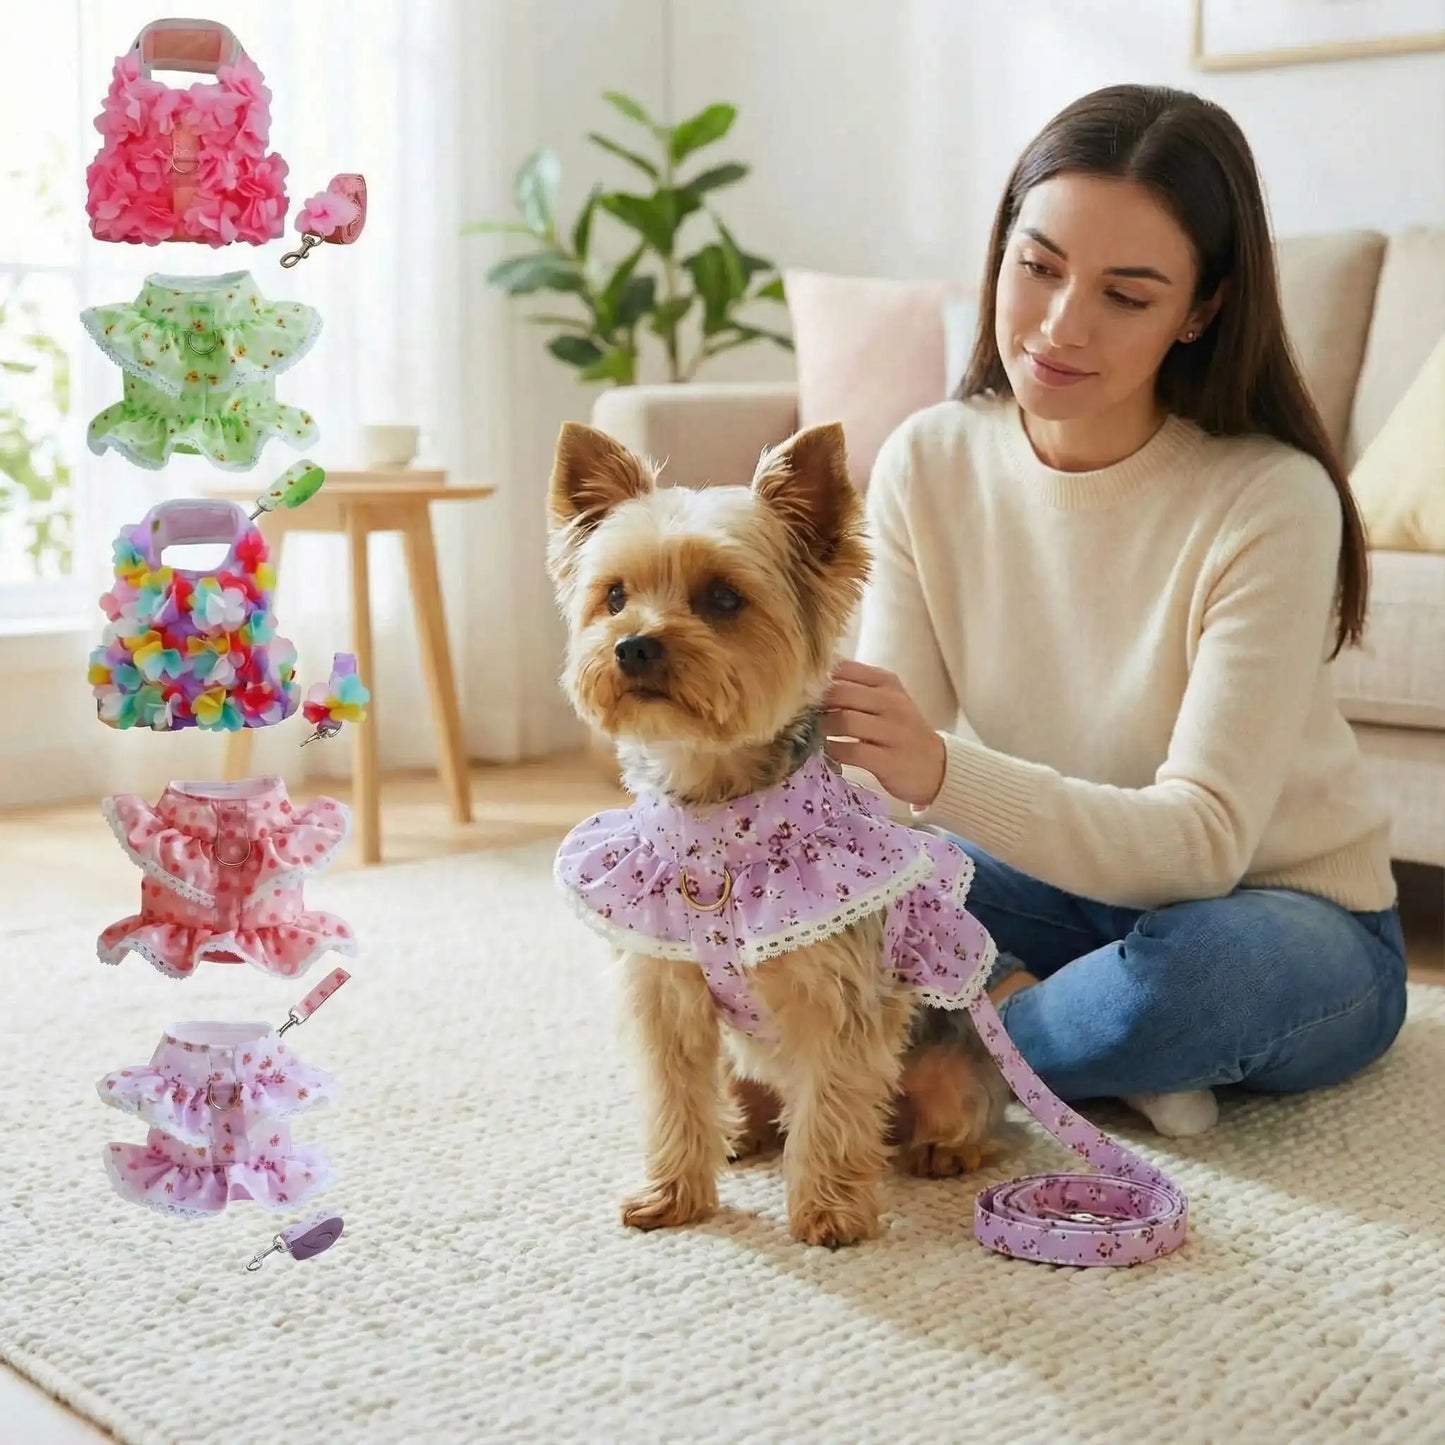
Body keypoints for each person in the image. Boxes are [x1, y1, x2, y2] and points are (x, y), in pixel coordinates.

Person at [822, 83, 1407, 1138]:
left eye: (1124, 296)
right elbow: (886, 797)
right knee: (845, 886)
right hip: (1053, 886)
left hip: (1278, 915)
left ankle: (960, 1053)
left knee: (1198, 981)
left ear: (1200, 309)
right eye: (1035, 266)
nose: (1057, 325)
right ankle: (1065, 1041)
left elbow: (1197, 848)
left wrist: (939, 770)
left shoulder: (1268, 496)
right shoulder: (927, 457)